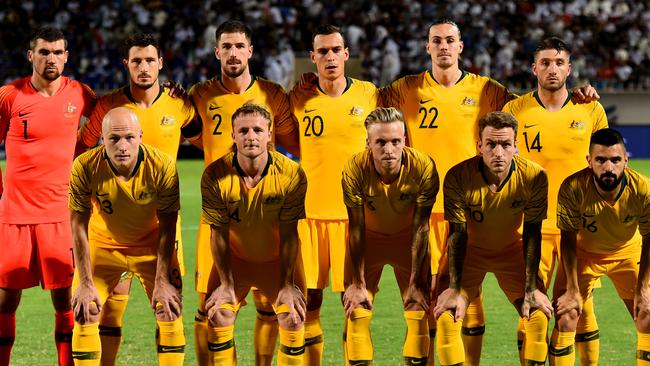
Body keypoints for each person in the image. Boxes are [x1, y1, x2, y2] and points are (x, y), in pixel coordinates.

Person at [76, 32, 198, 365]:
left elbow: (206, 142)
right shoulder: (108, 106)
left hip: (159, 227)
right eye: (136, 61)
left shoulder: (180, 103)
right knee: (110, 311)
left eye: (149, 60)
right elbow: (81, 151)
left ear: (161, 63)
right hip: (111, 226)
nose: (143, 67)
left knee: (168, 307)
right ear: (126, 64)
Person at [189, 20, 299, 366]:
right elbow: (193, 137)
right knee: (208, 306)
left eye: (240, 46)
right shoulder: (199, 95)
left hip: (265, 214)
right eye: (227, 46)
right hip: (219, 214)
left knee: (271, 308)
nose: (233, 52)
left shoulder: (273, 94)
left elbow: (295, 144)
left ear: (250, 51)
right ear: (217, 51)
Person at [503, 36, 608, 365]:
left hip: (579, 228)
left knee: (577, 308)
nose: (552, 68)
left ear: (569, 69)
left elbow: (608, 165)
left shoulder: (589, 108)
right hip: (530, 227)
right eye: (545, 63)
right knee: (533, 312)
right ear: (534, 68)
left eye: (559, 62)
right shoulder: (515, 110)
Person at [0, 27, 95, 366]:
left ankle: (65, 363)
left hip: (60, 214)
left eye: (57, 52)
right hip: (14, 215)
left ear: (66, 57)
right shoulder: (9, 96)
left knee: (63, 299)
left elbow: (99, 128)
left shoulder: (80, 93)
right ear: (31, 56)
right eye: (44, 52)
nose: (51, 58)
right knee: (6, 299)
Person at [289, 24, 378, 365]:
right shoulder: (298, 97)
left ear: (346, 54)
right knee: (308, 302)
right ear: (312, 58)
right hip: (308, 216)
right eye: (322, 51)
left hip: (353, 217)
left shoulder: (369, 94)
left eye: (335, 50)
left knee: (356, 302)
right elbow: (283, 138)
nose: (329, 56)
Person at [433, 111, 553, 366]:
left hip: (512, 251)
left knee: (538, 315)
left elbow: (532, 231)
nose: (498, 152)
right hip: (470, 252)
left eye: (505, 145)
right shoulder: (457, 176)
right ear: (479, 146)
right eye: (491, 144)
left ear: (516, 147)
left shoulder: (534, 176)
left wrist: (532, 288)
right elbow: (457, 233)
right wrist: (454, 288)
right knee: (447, 315)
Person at [69, 107, 185, 365]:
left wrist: (163, 280)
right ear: (102, 138)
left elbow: (168, 225)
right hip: (104, 245)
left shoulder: (162, 165)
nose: (123, 145)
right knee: (85, 309)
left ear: (141, 136)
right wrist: (85, 282)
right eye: (114, 139)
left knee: (169, 308)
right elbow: (78, 224)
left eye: (129, 138)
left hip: (150, 246)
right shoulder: (85, 166)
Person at [200, 103, 307, 365]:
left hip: (278, 261)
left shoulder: (291, 173)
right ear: (233, 136)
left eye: (258, 130)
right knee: (218, 314)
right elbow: (219, 235)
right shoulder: (215, 175)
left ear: (270, 134)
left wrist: (286, 285)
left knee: (293, 316)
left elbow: (290, 234)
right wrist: (225, 284)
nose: (251, 136)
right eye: (244, 130)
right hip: (236, 260)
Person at [342, 107, 438, 364]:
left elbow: (421, 227)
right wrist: (358, 283)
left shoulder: (423, 166)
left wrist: (418, 281)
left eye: (396, 141)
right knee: (356, 309)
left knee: (418, 309)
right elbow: (356, 226)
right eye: (381, 142)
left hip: (408, 240)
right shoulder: (354, 168)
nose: (389, 149)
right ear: (368, 144)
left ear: (405, 140)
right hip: (368, 239)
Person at [551, 128, 650, 365]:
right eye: (601, 160)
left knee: (648, 313)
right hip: (584, 255)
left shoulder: (643, 189)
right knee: (566, 314)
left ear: (626, 160)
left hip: (627, 252)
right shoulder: (573, 188)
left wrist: (643, 288)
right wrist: (572, 289)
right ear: (589, 161)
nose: (608, 167)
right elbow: (567, 239)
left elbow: (649, 237)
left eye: (615, 160)